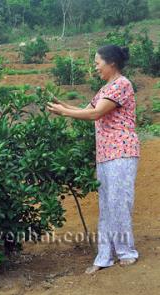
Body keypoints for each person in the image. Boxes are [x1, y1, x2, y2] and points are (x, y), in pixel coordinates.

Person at [47, 45, 140, 274]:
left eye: (98, 62)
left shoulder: (122, 85)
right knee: (107, 205)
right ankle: (105, 256)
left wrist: (65, 112)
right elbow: (86, 109)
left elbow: (96, 114)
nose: (95, 66)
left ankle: (126, 252)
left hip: (122, 152)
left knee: (119, 202)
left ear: (111, 63)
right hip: (106, 154)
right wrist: (63, 106)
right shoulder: (105, 88)